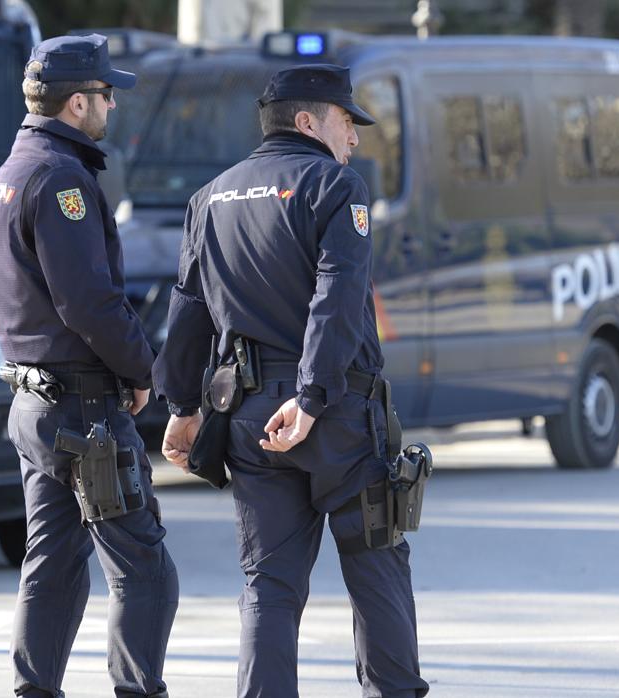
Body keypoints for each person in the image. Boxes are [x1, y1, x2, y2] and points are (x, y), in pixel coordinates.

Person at [153, 64, 430, 698]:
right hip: (331, 418)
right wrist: (310, 397)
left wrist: (182, 406)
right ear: (307, 122)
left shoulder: (210, 197)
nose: (355, 137)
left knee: (269, 585)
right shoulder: (336, 186)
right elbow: (336, 297)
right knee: (375, 563)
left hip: (246, 416)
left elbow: (187, 308)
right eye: (346, 121)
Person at [0, 34, 179, 698]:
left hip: (35, 405)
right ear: (74, 104)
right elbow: (88, 300)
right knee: (144, 568)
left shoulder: (13, 169)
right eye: (104, 93)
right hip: (82, 407)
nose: (112, 104)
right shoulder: (61, 177)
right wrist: (144, 369)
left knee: (53, 567)